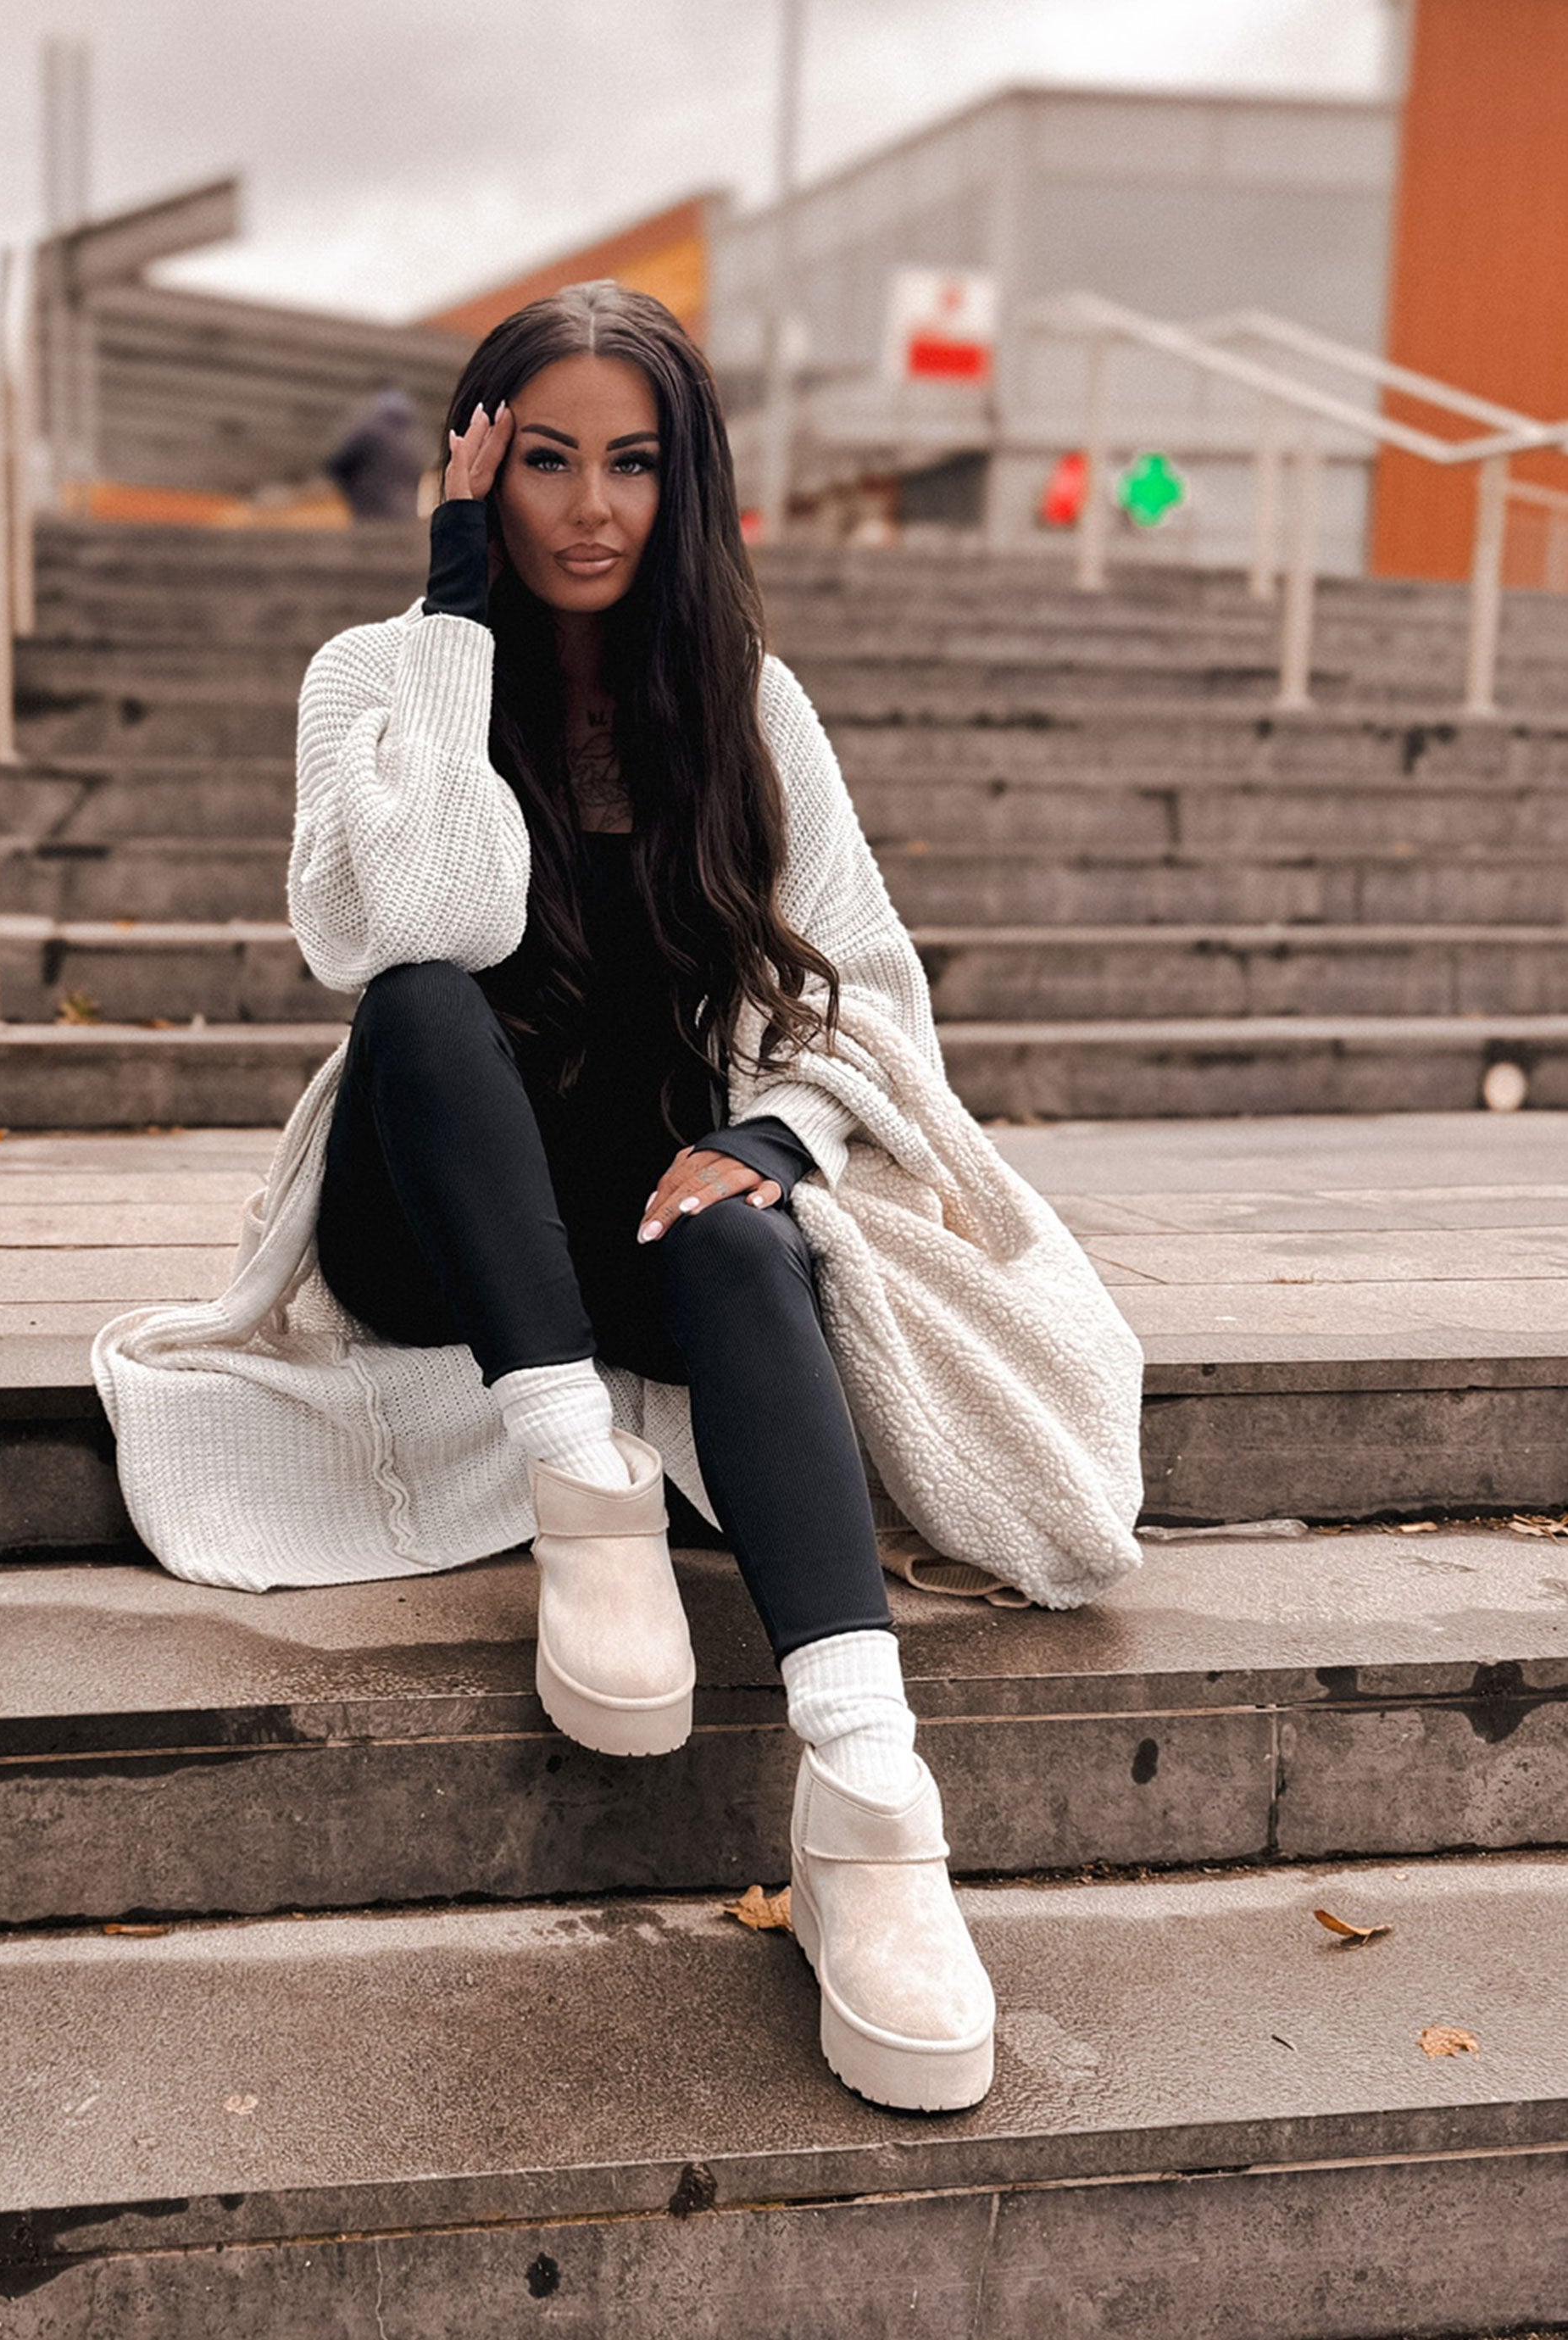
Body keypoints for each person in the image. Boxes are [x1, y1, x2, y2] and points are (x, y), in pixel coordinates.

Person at [94, 279, 1145, 2116]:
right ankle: (582, 1486)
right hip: (437, 1225)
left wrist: (777, 1137)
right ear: (478, 472)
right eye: (549, 461)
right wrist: (447, 620)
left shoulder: (746, 704)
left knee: (747, 1237)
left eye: (634, 463)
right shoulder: (374, 676)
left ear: (689, 481)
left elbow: (871, 987)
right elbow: (408, 923)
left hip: (649, 1209)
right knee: (421, 1008)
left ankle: (871, 1804)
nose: (589, 507)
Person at [323, 384, 426, 521]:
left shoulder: (371, 430)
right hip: (406, 514)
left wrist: (348, 487)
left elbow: (337, 463)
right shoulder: (417, 438)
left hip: (372, 510)